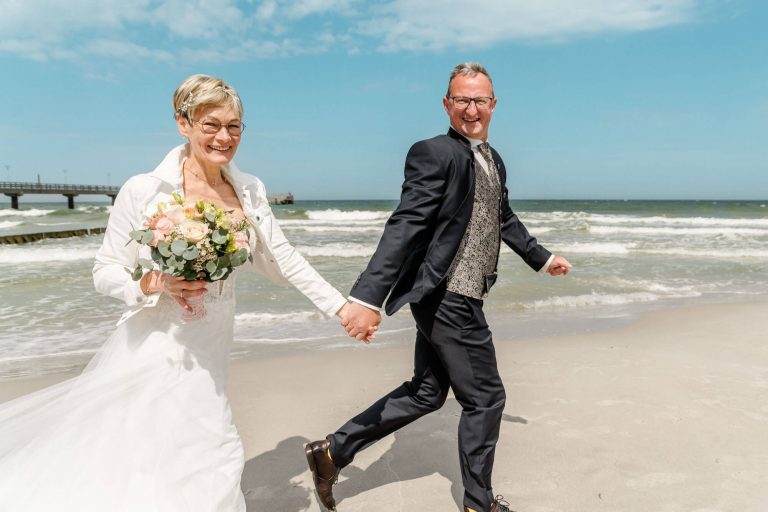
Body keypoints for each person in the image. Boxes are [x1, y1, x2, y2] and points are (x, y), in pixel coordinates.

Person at [0, 74, 366, 511]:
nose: (224, 137)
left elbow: (282, 256)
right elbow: (104, 270)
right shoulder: (144, 189)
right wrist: (153, 283)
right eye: (211, 125)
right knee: (209, 450)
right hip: (158, 344)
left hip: (212, 344)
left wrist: (341, 306)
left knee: (183, 454)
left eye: (234, 126)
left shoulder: (249, 189)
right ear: (183, 123)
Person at [305, 62, 572, 512]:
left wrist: (542, 258)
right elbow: (406, 224)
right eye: (462, 100)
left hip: (456, 293)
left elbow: (501, 215)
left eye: (480, 100)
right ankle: (478, 503)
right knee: (486, 398)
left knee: (427, 392)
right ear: (447, 103)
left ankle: (332, 452)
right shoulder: (433, 152)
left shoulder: (492, 157)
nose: (472, 109)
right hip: (448, 294)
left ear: (494, 104)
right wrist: (367, 296)